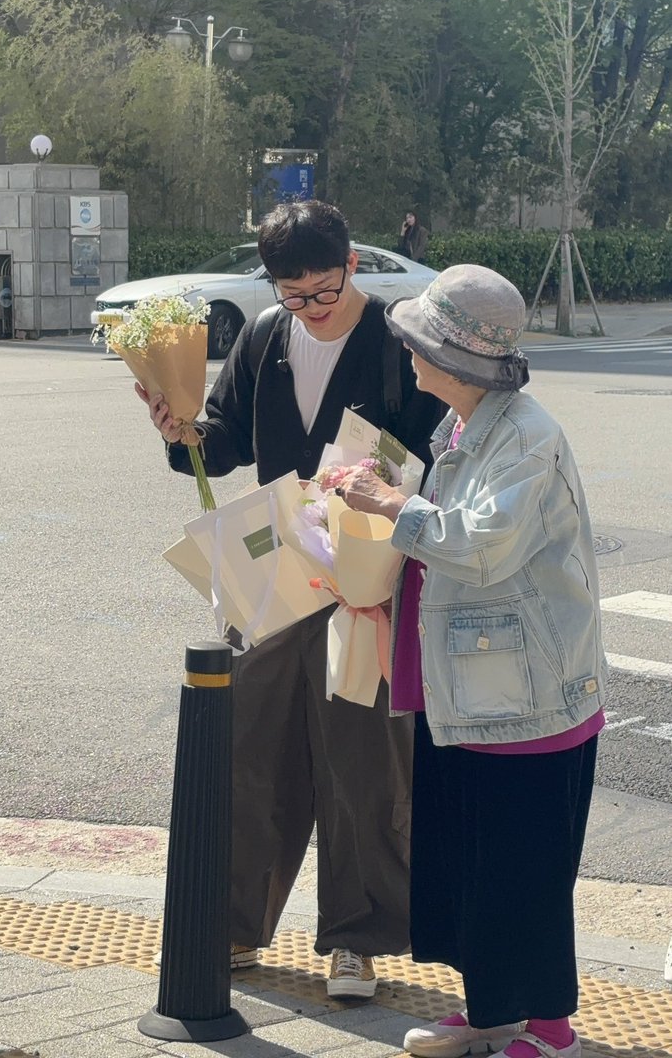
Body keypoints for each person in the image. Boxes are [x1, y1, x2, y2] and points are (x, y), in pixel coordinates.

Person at [137, 200, 443, 999]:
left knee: (362, 765)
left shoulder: (395, 339)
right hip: (278, 575)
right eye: (292, 293)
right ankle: (236, 928)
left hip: (365, 583)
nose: (310, 307)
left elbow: (436, 450)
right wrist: (182, 432)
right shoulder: (268, 337)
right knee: (254, 754)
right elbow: (229, 438)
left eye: (324, 289)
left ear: (350, 263)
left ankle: (357, 940)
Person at [337, 264, 607, 1057]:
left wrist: (394, 506)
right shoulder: (466, 424)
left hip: (523, 696)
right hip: (473, 687)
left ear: (452, 360)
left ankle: (549, 1028)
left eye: (418, 345)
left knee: (519, 868)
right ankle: (490, 1009)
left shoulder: (525, 434)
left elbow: (480, 546)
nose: (408, 359)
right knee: (470, 859)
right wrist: (394, 491)